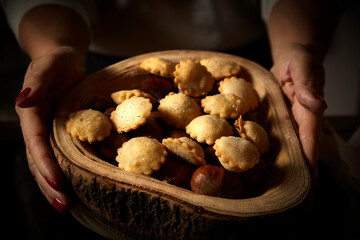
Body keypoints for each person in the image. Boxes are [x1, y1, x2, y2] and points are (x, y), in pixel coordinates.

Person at [2, 0, 331, 217]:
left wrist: (295, 44)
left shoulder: (230, 108)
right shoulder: (126, 109)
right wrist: (54, 46)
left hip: (255, 59)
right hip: (97, 66)